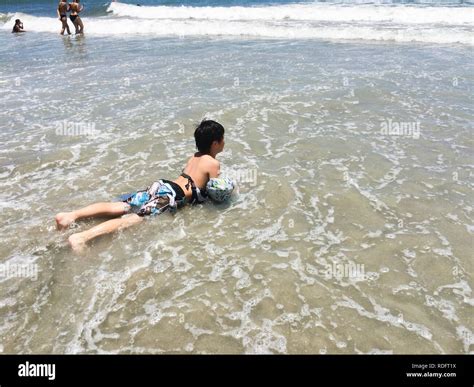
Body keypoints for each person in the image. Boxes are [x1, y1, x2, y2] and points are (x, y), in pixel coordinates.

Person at [55, 120, 225, 252]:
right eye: (222, 139)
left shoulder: (194, 156)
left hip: (162, 185)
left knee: (124, 206)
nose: (224, 142)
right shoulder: (213, 163)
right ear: (215, 143)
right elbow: (216, 191)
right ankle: (82, 237)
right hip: (172, 195)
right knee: (137, 218)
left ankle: (70, 215)